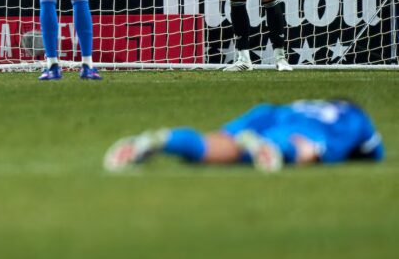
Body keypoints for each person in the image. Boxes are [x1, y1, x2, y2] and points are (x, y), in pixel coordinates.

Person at [104, 99, 384, 173]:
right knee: (303, 149)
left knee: (212, 145)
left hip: (271, 112)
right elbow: (375, 152)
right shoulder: (355, 116)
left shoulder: (305, 104)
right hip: (304, 130)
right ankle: (268, 148)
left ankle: (162, 140)